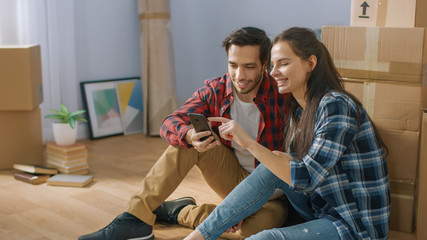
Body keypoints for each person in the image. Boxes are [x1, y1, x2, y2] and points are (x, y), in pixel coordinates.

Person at [79, 26, 290, 240]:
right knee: (188, 141)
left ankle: (180, 212)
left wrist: (240, 207)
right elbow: (171, 122)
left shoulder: (283, 95)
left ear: (265, 65)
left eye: (249, 67)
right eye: (233, 65)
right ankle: (135, 218)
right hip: (235, 179)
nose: (239, 75)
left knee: (255, 231)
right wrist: (189, 136)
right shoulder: (217, 90)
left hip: (274, 194)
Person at [185, 27, 391, 240]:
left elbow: (306, 177)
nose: (273, 73)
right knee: (272, 164)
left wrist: (248, 143)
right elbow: (294, 164)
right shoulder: (299, 110)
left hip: (353, 224)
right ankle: (197, 237)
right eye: (273, 65)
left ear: (310, 64)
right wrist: (240, 208)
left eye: (283, 63)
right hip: (320, 208)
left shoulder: (336, 106)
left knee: (264, 238)